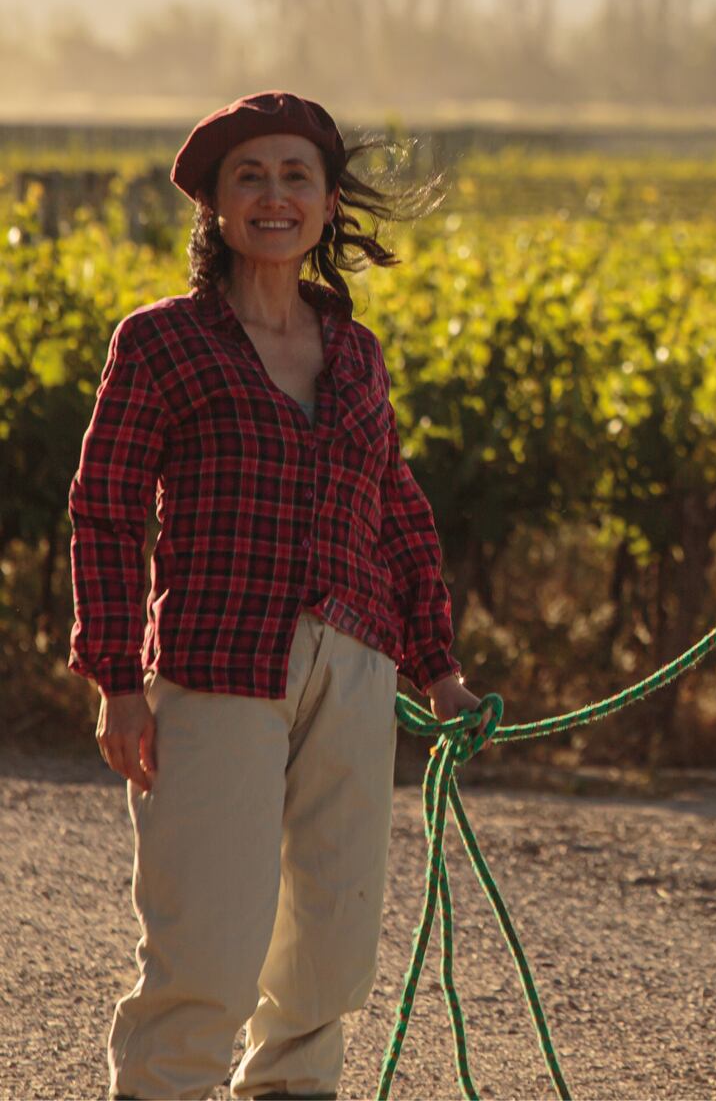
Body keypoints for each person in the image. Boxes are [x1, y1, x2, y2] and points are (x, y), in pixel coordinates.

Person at [68, 90, 488, 1101]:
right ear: (214, 205)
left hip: (355, 667)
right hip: (218, 668)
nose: (274, 196)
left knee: (328, 955)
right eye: (249, 176)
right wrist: (117, 681)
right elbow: (105, 512)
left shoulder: (356, 353)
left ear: (328, 203)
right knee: (205, 949)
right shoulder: (160, 343)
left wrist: (440, 672)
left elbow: (396, 512)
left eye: (297, 175)